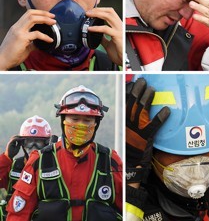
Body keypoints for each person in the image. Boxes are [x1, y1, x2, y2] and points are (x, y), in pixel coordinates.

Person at [125, 75, 209, 220]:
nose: (197, 170)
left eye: (206, 151)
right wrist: (132, 183)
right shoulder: (128, 195)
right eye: (182, 155)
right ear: (149, 151)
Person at [6, 85, 123, 220]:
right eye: (74, 119)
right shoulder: (39, 160)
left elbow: (126, 207)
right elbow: (18, 214)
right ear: (63, 120)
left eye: (87, 121)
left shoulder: (110, 160)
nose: (81, 125)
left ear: (96, 124)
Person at [0, 116, 54, 220]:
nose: (33, 147)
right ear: (22, 144)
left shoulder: (53, 167)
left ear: (47, 143)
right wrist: (6, 157)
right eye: (29, 141)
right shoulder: (14, 167)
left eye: (39, 142)